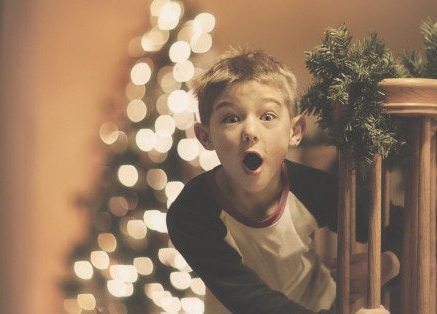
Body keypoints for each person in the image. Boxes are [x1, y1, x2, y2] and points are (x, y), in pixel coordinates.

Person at [166, 48, 401, 314]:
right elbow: (248, 297)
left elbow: (399, 221)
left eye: (268, 116)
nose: (251, 132)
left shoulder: (310, 188)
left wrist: (386, 263)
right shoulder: (190, 213)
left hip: (320, 303)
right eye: (231, 118)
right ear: (205, 136)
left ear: (295, 131)